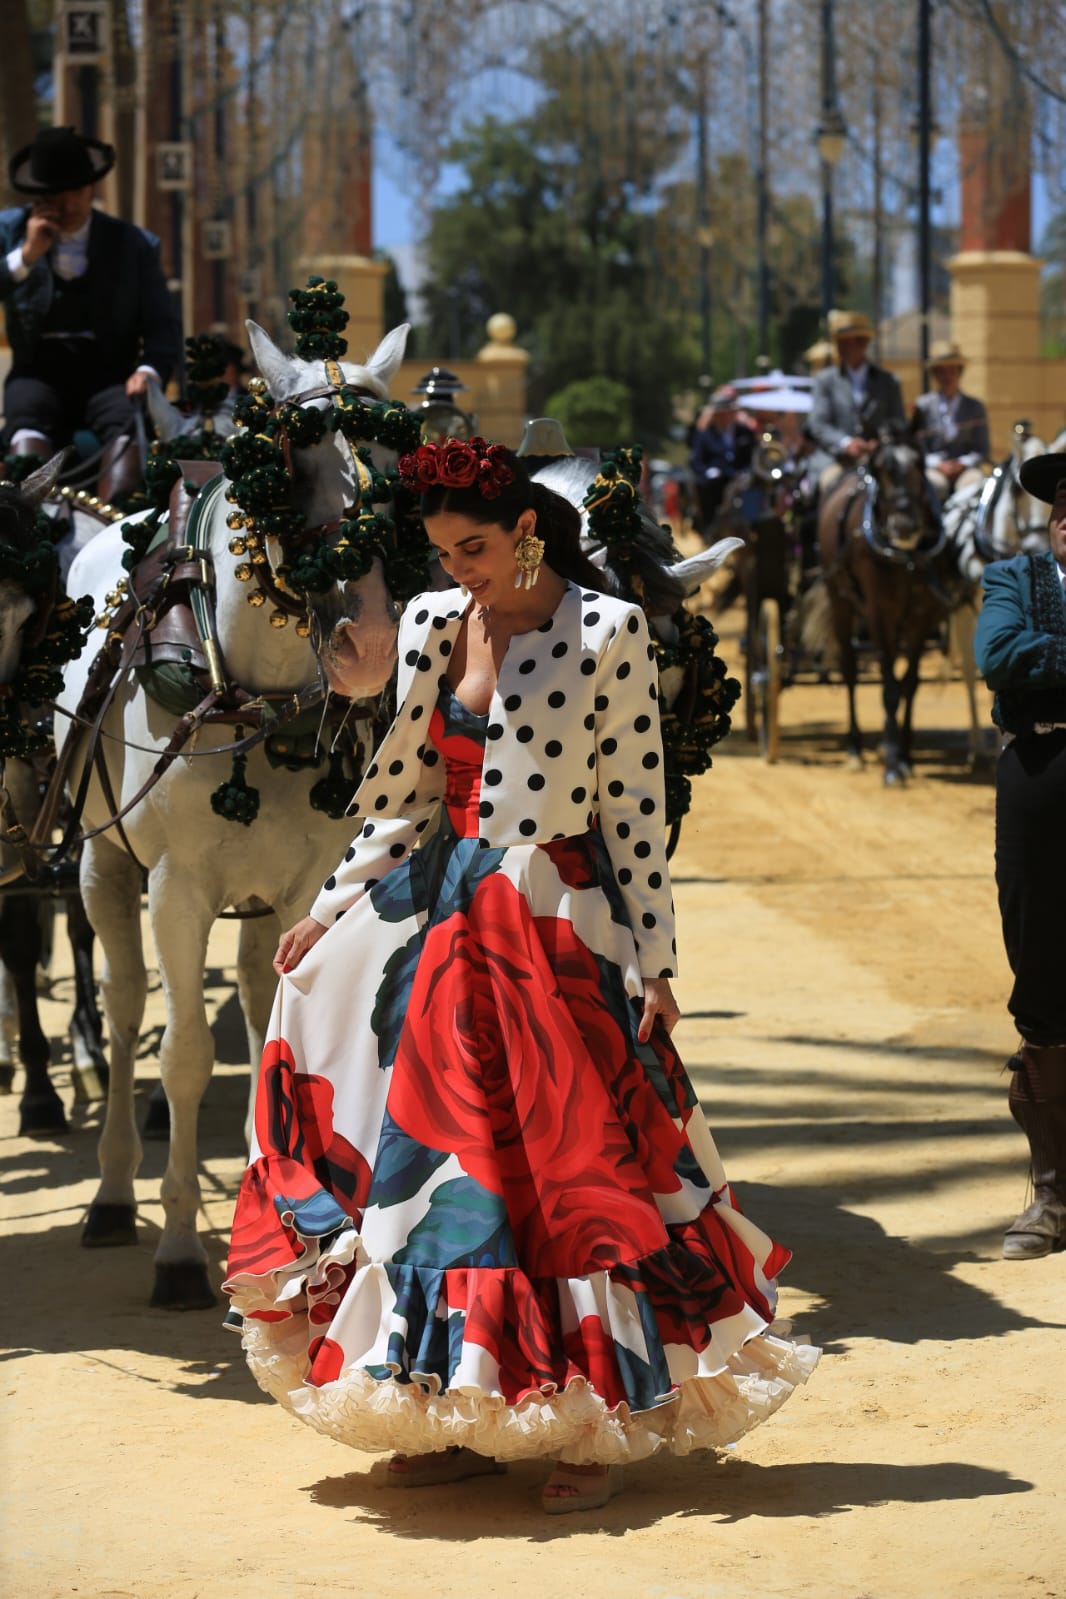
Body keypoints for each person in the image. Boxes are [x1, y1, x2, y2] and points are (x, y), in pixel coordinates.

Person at [223, 437, 818, 1512]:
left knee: (575, 1178)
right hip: (446, 919)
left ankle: (594, 1424)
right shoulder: (429, 623)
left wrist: (653, 960)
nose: (458, 568)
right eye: (442, 550)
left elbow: (634, 815)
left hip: (557, 920)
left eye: (475, 547)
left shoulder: (609, 631)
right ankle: (451, 1406)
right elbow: (398, 795)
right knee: (446, 1178)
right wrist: (322, 910)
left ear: (526, 528)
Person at [973, 451, 1066, 1260]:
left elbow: (1029, 658)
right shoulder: (1014, 575)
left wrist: (1053, 659)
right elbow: (1000, 656)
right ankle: (1052, 1188)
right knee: (1039, 971)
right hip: (1038, 774)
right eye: (1061, 506)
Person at [0, 126, 182, 501]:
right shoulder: (9, 231)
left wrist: (148, 372)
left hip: (109, 374)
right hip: (36, 370)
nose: (66, 205)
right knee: (23, 419)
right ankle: (28, 534)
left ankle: (116, 527)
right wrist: (27, 255)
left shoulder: (134, 245)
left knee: (129, 426)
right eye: (54, 194)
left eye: (74, 193)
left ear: (91, 189)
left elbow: (164, 326)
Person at [808, 309, 905, 497]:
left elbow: (898, 422)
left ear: (863, 344)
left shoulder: (888, 381)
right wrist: (846, 443)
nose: (841, 348)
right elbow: (818, 424)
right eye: (840, 342)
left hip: (879, 457)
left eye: (848, 342)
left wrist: (878, 441)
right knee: (827, 485)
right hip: (836, 459)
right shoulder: (825, 381)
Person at [909, 341, 990, 502]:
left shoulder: (975, 407)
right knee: (933, 485)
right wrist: (937, 464)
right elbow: (917, 447)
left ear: (959, 372)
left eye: (951, 370)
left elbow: (982, 449)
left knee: (973, 485)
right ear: (935, 375)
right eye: (941, 371)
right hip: (934, 469)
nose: (947, 376)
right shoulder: (923, 406)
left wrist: (962, 463)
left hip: (967, 470)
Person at [688, 385, 756, 539]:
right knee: (704, 487)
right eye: (721, 414)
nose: (725, 417)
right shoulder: (705, 435)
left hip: (741, 479)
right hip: (716, 483)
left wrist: (746, 472)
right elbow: (696, 460)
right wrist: (707, 472)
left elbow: (752, 457)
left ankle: (753, 526)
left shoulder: (745, 433)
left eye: (728, 413)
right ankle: (709, 527)